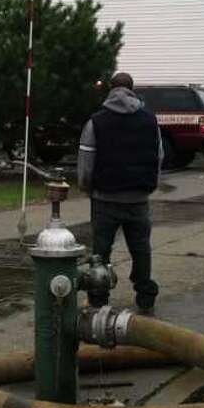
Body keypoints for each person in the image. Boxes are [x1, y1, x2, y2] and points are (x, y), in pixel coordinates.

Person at [78, 72, 163, 314]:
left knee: (101, 252)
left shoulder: (96, 122)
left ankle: (98, 297)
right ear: (132, 89)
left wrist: (87, 188)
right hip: (138, 199)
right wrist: (149, 185)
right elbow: (158, 157)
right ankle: (145, 295)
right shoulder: (150, 120)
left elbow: (86, 160)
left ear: (110, 89)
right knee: (141, 249)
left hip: (105, 198)